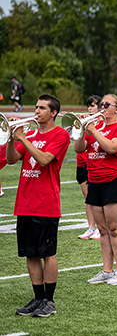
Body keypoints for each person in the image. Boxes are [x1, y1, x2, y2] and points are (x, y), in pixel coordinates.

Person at [9, 94, 71, 317]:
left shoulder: (61, 135)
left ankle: (49, 300)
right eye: (36, 107)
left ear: (53, 112)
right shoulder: (32, 134)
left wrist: (23, 139)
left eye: (42, 108)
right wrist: (10, 139)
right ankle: (37, 298)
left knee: (47, 253)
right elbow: (11, 159)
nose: (36, 111)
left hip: (46, 203)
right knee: (30, 254)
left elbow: (44, 160)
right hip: (24, 203)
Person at [77, 94, 117, 286]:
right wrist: (80, 130)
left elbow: (111, 147)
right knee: (102, 230)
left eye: (105, 104)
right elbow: (79, 149)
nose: (101, 107)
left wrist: (92, 129)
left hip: (116, 181)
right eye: (100, 104)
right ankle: (107, 270)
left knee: (115, 229)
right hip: (95, 181)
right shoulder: (95, 128)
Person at [77, 95, 103, 240]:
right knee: (87, 198)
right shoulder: (85, 122)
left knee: (95, 198)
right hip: (81, 162)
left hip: (92, 163)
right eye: (89, 105)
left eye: (93, 105)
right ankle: (91, 227)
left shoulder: (101, 123)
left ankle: (100, 227)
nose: (89, 108)